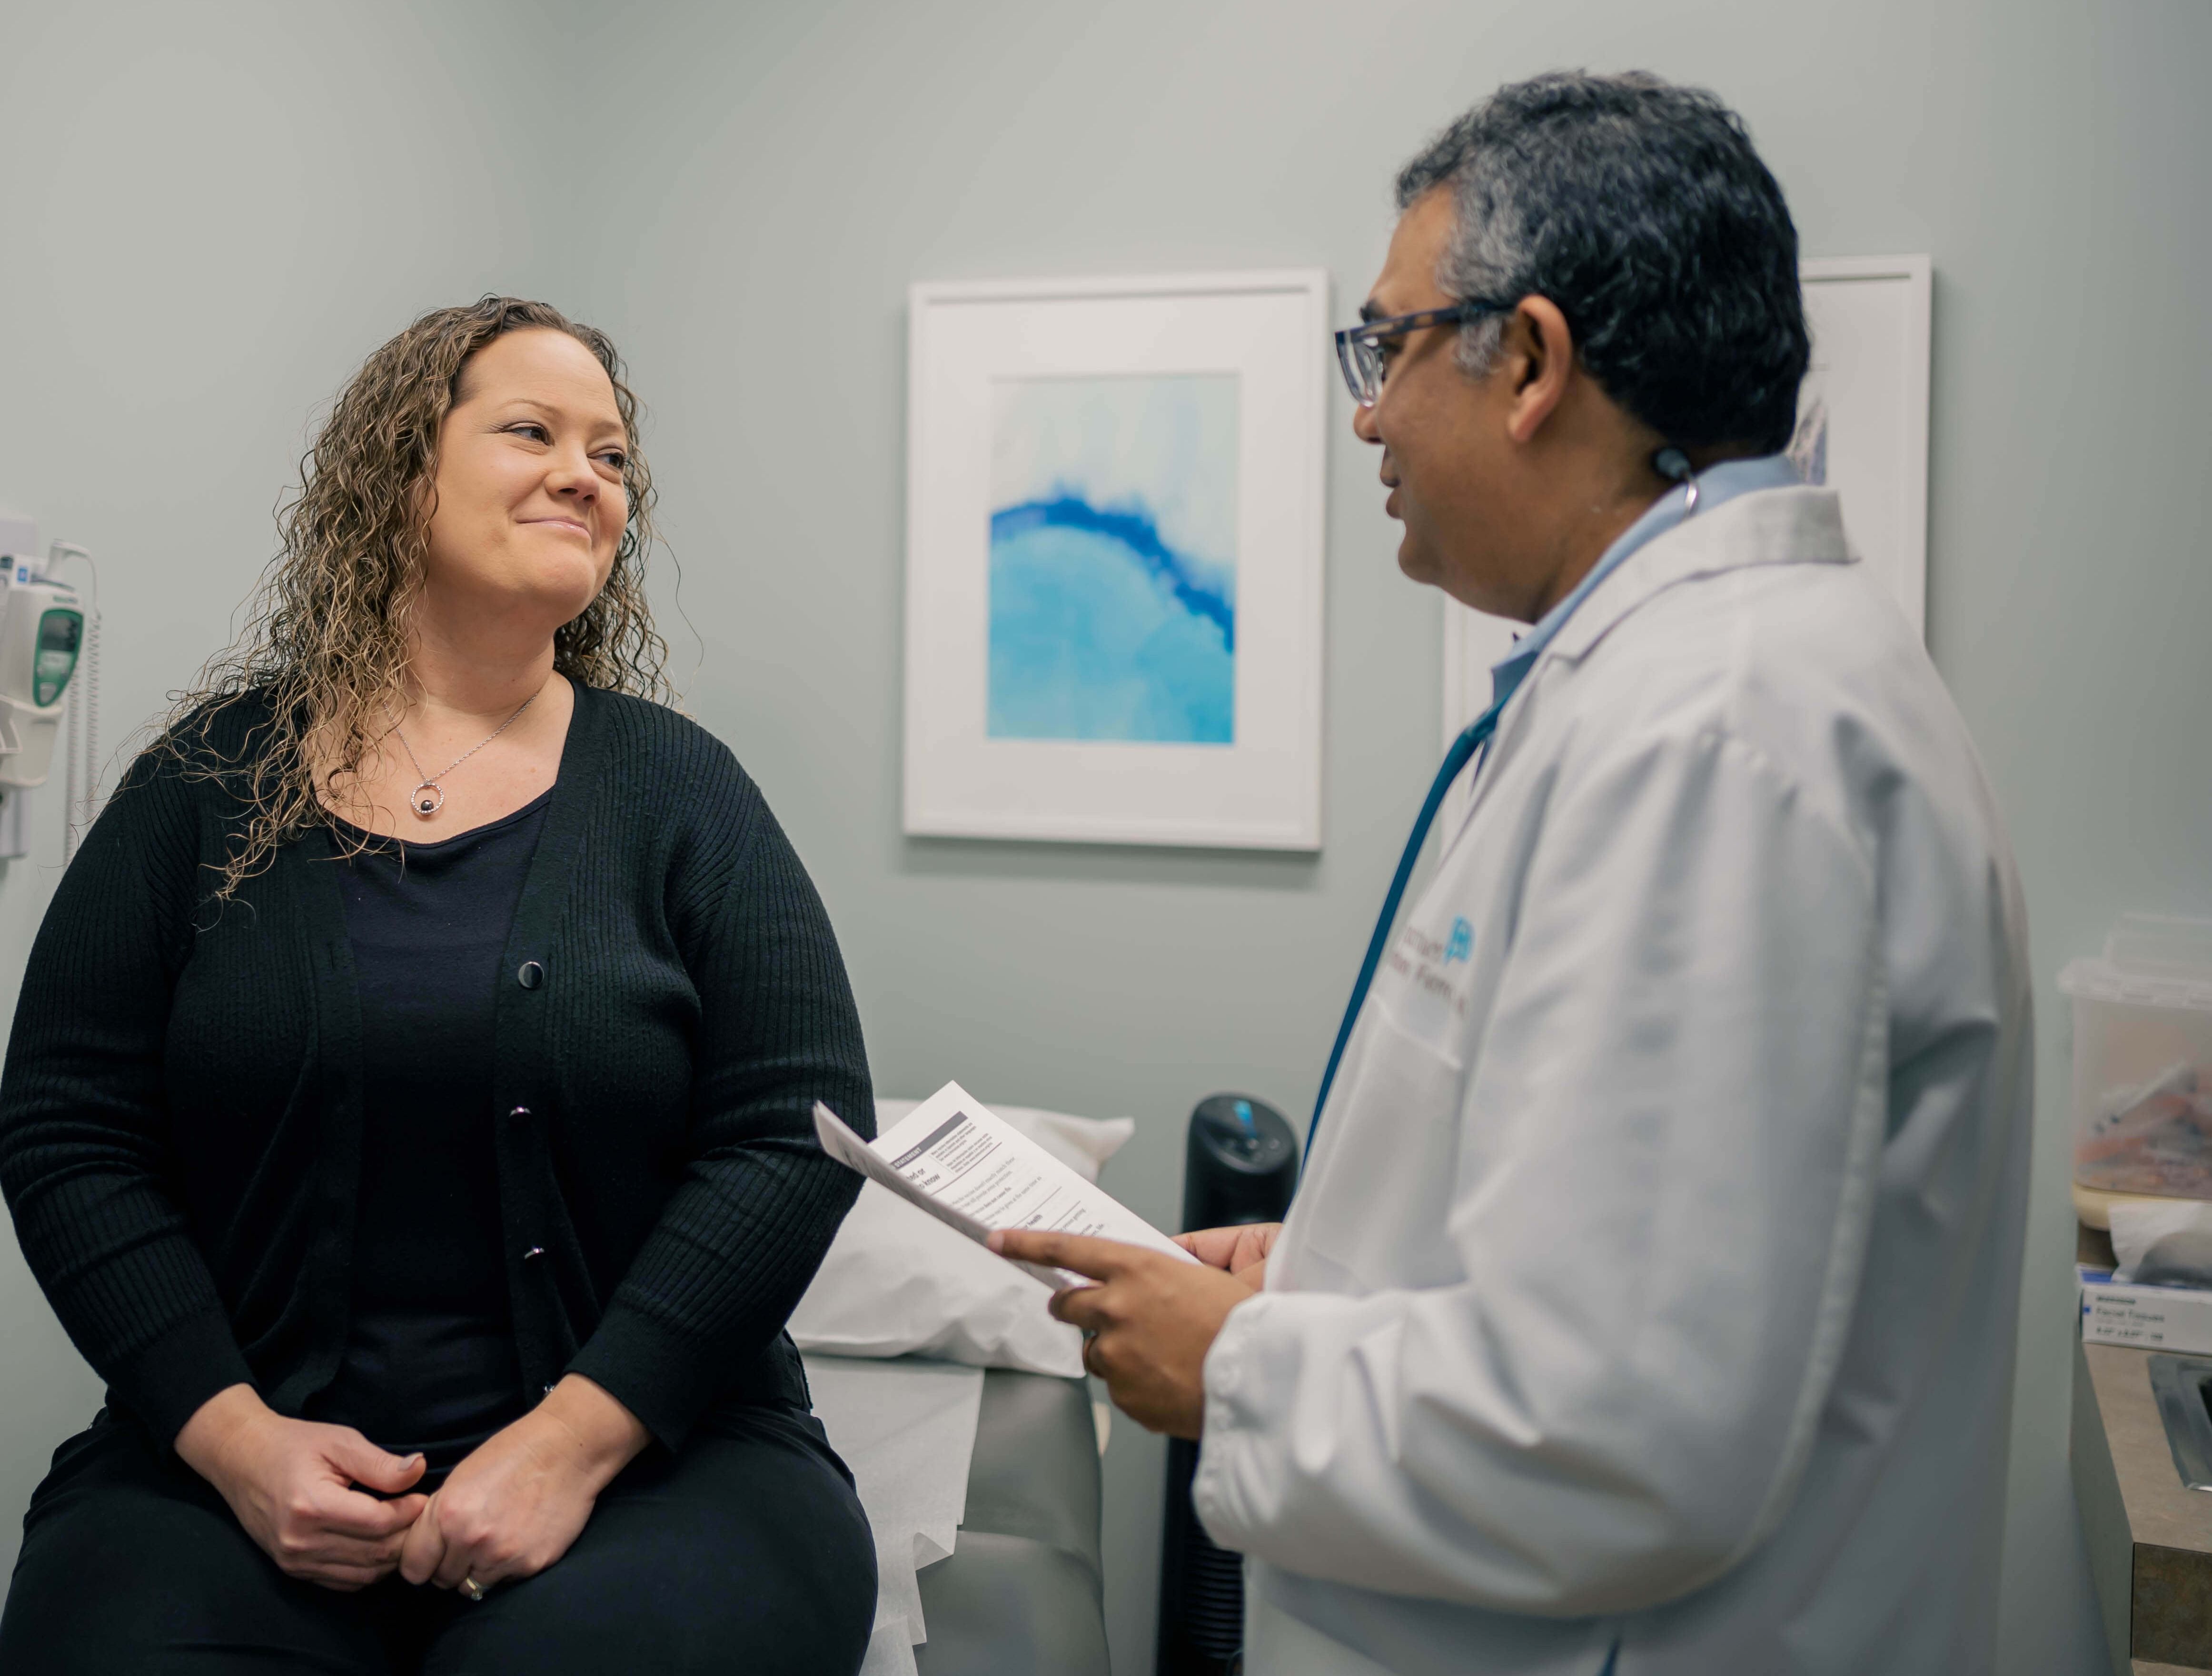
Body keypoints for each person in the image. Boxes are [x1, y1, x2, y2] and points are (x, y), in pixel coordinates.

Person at [995, 72, 2031, 1676]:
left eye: (1388, 347)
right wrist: (1330, 1265)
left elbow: (1623, 1428)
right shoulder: (1683, 688)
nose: (1367, 414)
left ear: (1533, 363)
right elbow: (1623, 1235)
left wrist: (1243, 1369)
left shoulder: (1717, 737)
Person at [0, 298, 878, 1674]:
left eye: (613, 455)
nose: (586, 473)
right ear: (402, 470)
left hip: (660, 1471)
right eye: (532, 430)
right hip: (231, 1481)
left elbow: (796, 1128)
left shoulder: (679, 792)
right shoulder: (208, 782)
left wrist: (568, 1442)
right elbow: (66, 1123)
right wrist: (236, 1443)